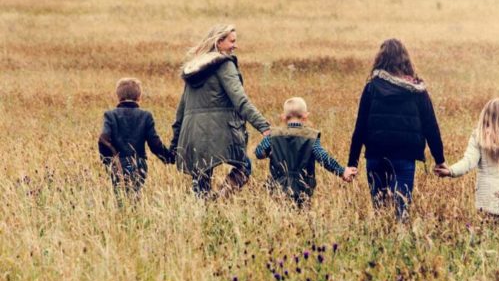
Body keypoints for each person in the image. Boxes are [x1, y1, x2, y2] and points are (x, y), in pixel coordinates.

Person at [347, 38, 446, 220]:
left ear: (380, 59)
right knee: (401, 211)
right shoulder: (417, 90)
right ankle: (399, 242)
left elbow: (360, 126)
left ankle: (381, 241)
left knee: (380, 210)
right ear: (405, 60)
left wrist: (352, 163)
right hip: (405, 156)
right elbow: (431, 126)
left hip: (376, 155)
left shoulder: (372, 88)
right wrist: (440, 160)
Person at [170, 24, 271, 199]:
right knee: (244, 167)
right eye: (232, 41)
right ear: (219, 41)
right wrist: (264, 127)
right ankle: (220, 200)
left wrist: (175, 143)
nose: (235, 45)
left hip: (193, 134)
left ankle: (205, 210)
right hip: (220, 132)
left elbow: (181, 110)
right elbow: (240, 100)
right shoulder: (225, 65)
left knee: (200, 180)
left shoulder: (194, 68)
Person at [254, 97, 357, 207]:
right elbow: (323, 157)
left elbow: (259, 153)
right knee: (301, 215)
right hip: (302, 187)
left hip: (277, 186)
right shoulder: (310, 137)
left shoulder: (273, 135)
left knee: (278, 216)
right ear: (305, 116)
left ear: (283, 117)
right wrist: (342, 171)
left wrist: (271, 152)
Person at [98, 78, 174, 204]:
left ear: (118, 96)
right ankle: (133, 215)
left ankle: (122, 218)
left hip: (117, 164)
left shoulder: (110, 115)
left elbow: (103, 140)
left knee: (120, 197)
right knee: (135, 196)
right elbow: (154, 143)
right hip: (138, 164)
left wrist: (108, 161)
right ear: (139, 97)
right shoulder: (145, 116)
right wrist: (168, 157)